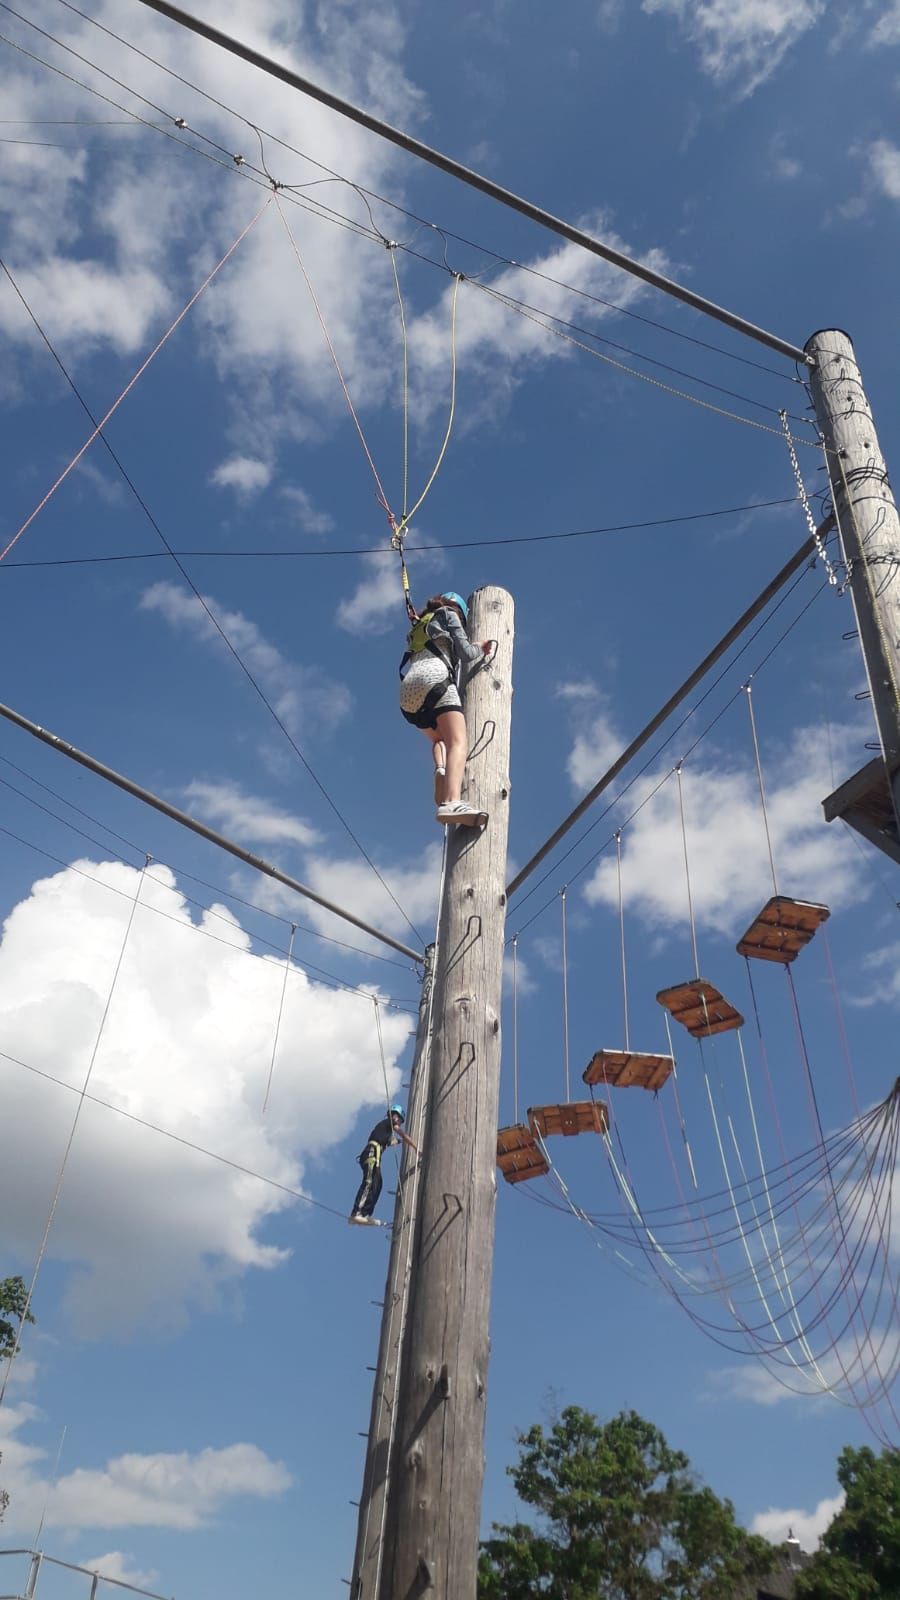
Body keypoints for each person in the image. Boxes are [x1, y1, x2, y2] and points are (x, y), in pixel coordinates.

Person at [398, 591, 494, 824]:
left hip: (408, 691)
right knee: (458, 741)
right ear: (461, 612)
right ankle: (452, 802)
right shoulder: (450, 615)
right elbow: (466, 652)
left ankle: (441, 769)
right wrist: (480, 646)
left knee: (439, 739)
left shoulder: (421, 623)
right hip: (436, 679)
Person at [349, 1104, 419, 1225]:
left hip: (374, 1155)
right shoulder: (388, 1122)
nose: (399, 1123)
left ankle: (365, 1214)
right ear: (393, 1116)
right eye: (399, 1119)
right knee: (369, 1181)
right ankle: (357, 1212)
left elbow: (393, 1141)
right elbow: (402, 1134)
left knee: (378, 1183)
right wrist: (416, 1148)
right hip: (371, 1153)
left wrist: (401, 1141)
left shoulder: (384, 1131)